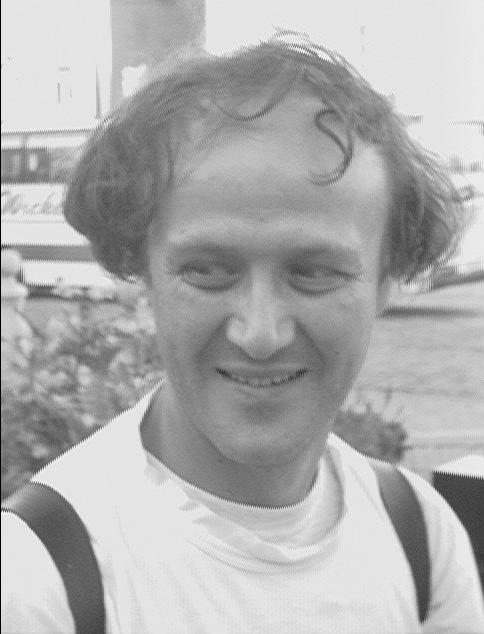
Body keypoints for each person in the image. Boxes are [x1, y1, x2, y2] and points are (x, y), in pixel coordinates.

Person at [2, 31, 483, 633]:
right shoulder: (32, 581)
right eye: (207, 271)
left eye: (315, 273)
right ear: (142, 273)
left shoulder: (426, 543)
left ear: (388, 280)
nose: (260, 333)